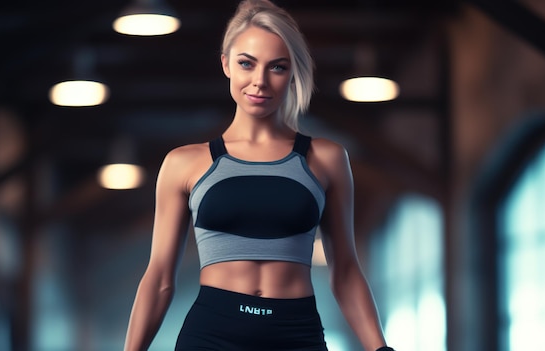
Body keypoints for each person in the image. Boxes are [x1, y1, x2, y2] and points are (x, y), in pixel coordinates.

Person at [123, 1, 394, 350]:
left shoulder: (326, 159)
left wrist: (381, 348)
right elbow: (159, 277)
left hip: (297, 334)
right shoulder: (184, 163)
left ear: (292, 72)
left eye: (277, 67)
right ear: (226, 64)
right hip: (210, 335)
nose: (260, 82)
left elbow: (345, 271)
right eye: (246, 64)